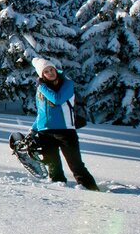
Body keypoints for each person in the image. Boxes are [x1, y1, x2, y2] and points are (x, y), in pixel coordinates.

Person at [29, 57, 98, 190]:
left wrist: (41, 86)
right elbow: (41, 113)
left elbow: (57, 99)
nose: (50, 73)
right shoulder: (41, 90)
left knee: (76, 165)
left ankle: (91, 188)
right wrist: (33, 130)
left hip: (65, 131)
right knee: (53, 166)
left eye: (51, 69)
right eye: (46, 72)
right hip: (45, 132)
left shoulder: (67, 84)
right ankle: (60, 192)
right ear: (41, 75)